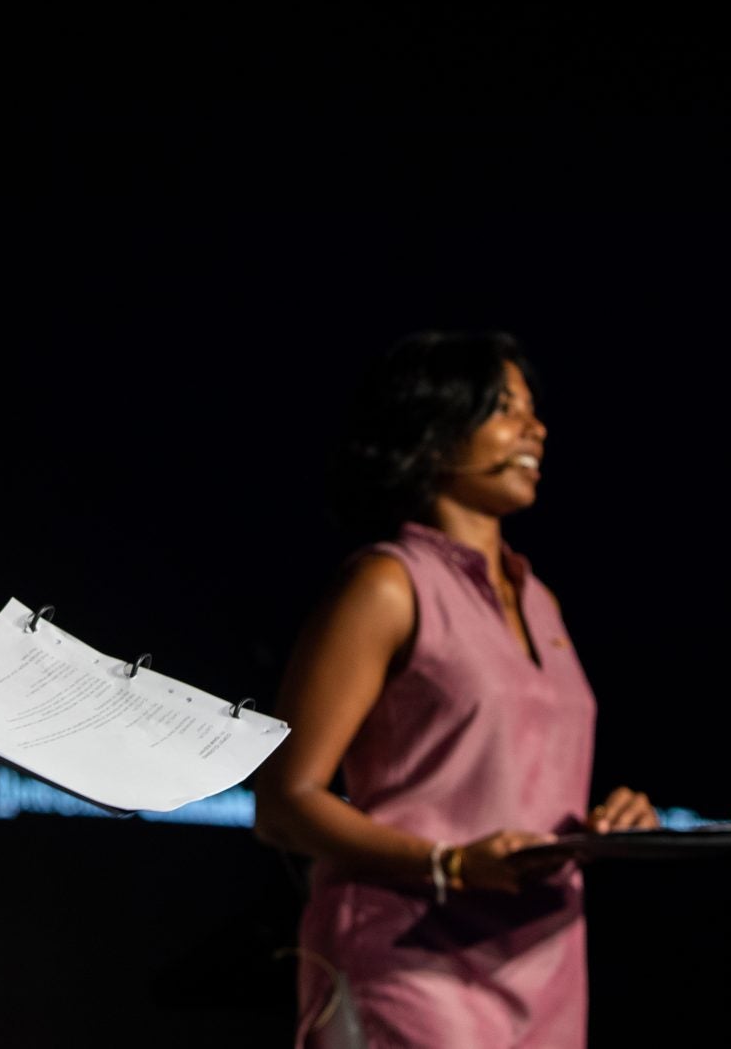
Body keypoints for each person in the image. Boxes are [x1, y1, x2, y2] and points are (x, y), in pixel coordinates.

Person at [252, 330, 657, 1049]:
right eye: (504, 408)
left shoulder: (543, 602)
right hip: (412, 963)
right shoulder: (388, 583)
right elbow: (286, 802)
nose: (535, 427)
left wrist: (607, 827)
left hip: (546, 968)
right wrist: (450, 862)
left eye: (533, 409)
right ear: (436, 435)